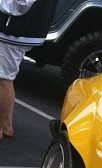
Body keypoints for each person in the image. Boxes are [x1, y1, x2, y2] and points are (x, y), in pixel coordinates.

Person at [0, 0, 58, 139]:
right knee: (6, 77)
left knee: (3, 79)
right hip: (24, 30)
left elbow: (20, 5)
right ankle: (6, 125)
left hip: (15, 29)